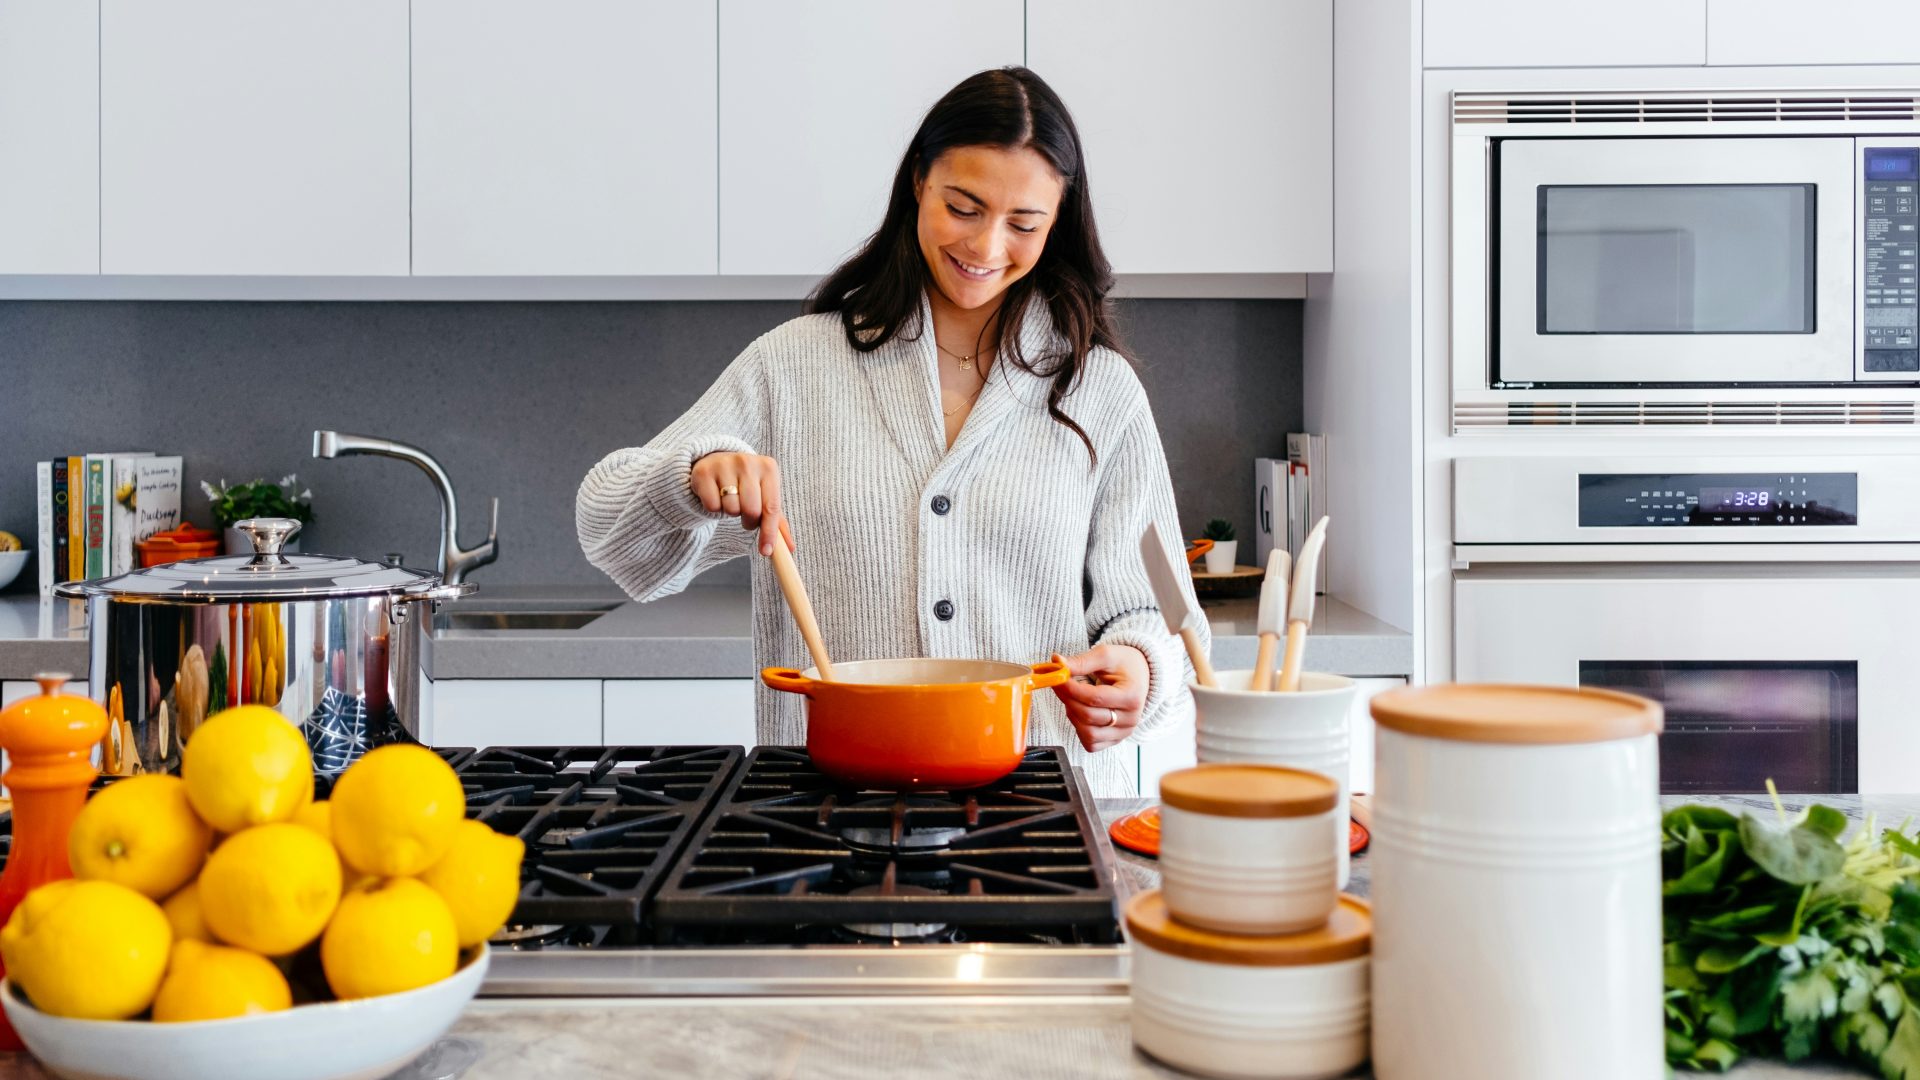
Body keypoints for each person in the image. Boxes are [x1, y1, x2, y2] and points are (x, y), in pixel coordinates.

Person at [575, 66, 1209, 797]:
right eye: (963, 207)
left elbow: (1160, 615)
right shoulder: (797, 366)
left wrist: (1138, 669)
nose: (988, 245)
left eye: (1024, 223)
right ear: (918, 182)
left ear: (1058, 220)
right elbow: (609, 532)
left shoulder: (1099, 390)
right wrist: (691, 477)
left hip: (1035, 817)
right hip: (822, 814)